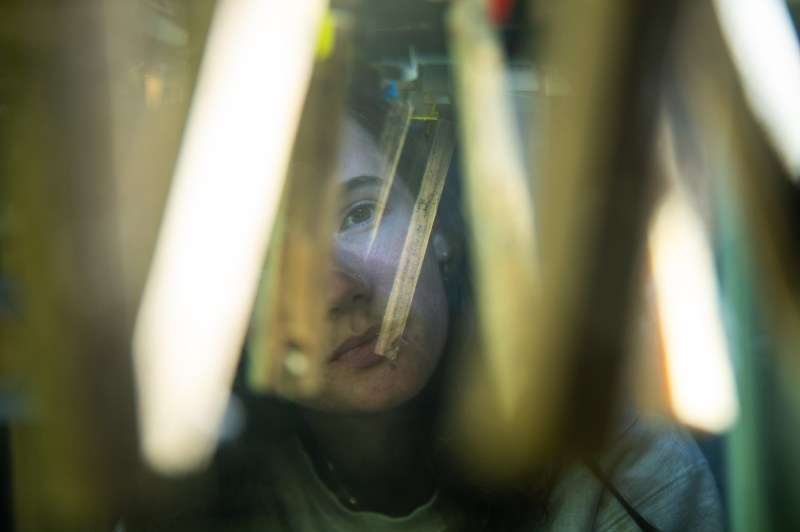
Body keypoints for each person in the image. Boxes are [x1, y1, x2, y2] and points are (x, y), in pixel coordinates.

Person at [124, 69, 724, 531]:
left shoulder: (614, 458)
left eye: (361, 213)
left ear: (437, 229)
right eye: (265, 261)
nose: (338, 288)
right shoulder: (199, 499)